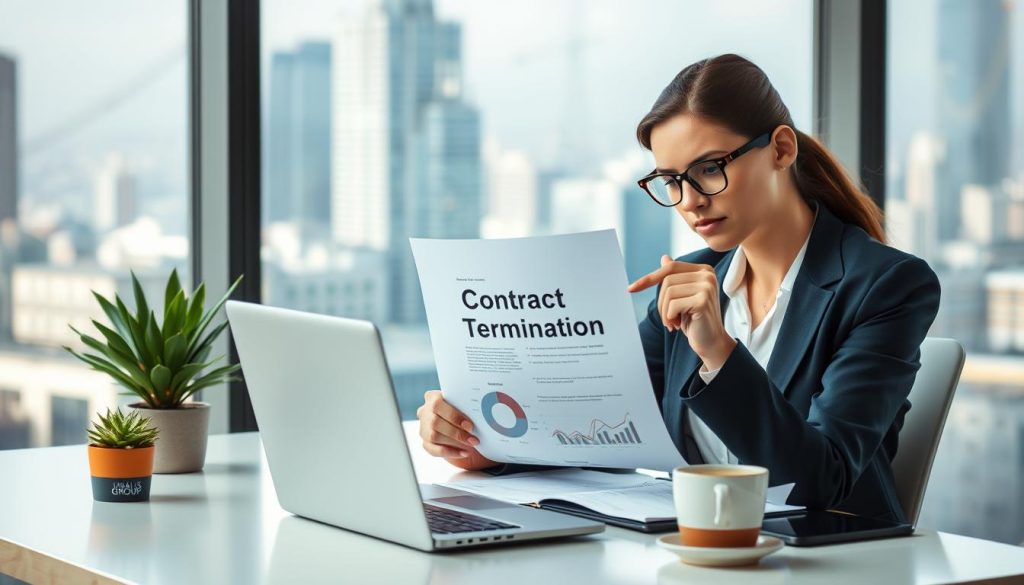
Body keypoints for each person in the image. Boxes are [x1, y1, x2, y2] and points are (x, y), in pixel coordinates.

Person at [416, 54, 940, 521]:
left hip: (830, 563)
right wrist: (491, 448)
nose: (689, 201)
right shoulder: (689, 280)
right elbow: (606, 428)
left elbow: (819, 481)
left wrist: (719, 353)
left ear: (781, 149)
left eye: (708, 169)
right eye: (671, 180)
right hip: (694, 555)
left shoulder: (886, 286)